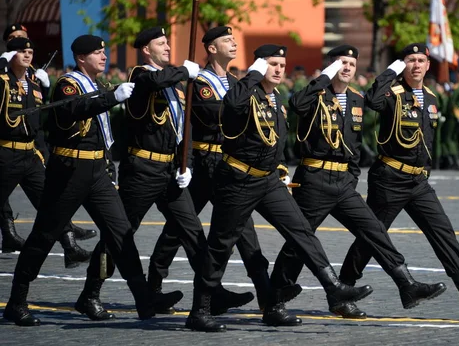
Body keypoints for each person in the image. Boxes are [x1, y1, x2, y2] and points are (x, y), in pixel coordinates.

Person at [186, 44, 373, 332]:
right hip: (238, 180)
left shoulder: (276, 100)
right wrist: (251, 74)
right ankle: (200, 310)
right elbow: (231, 105)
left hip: (268, 180)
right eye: (272, 64)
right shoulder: (246, 92)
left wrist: (281, 171)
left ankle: (331, 287)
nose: (278, 69)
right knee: (221, 245)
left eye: (281, 65)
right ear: (259, 66)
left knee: (301, 231)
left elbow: (278, 142)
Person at [3, 35, 181, 326]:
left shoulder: (97, 85)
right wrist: (113, 98)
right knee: (45, 236)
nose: (103, 56)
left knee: (121, 233)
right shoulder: (68, 84)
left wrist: (108, 166)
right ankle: (17, 300)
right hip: (69, 170)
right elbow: (73, 110)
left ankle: (143, 300)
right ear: (81, 58)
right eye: (97, 53)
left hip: (97, 171)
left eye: (103, 51)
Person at [76, 27, 252, 321]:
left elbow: (184, 127)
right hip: (142, 170)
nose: (168, 47)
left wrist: (187, 165)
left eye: (168, 42)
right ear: (146, 50)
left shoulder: (174, 83)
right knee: (120, 235)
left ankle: (213, 292)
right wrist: (185, 70)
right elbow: (155, 80)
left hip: (170, 171)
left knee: (193, 232)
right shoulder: (140, 76)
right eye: (161, 43)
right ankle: (90, 293)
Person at [269, 44, 446, 320]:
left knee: (374, 230)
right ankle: (275, 300)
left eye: (352, 64)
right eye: (341, 63)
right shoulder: (315, 94)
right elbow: (296, 105)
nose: (347, 68)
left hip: (343, 183)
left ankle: (406, 284)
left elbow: (354, 145)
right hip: (314, 180)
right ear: (331, 66)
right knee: (299, 243)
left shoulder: (355, 99)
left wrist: (351, 177)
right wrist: (324, 78)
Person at [337, 43, 459, 313]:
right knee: (372, 236)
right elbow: (373, 100)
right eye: (410, 60)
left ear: (428, 65)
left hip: (418, 181)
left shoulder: (431, 97)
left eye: (420, 60)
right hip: (390, 178)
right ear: (404, 65)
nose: (416, 65)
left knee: (442, 230)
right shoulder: (392, 92)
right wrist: (391, 71)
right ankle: (343, 289)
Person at [149, 26, 271, 312]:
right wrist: (186, 163)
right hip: (203, 164)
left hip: (230, 165)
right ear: (211, 48)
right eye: (227, 40)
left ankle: (266, 293)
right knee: (179, 228)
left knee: (243, 229)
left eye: (233, 39)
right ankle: (154, 284)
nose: (234, 43)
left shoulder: (233, 81)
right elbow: (200, 120)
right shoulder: (198, 81)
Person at [0, 38, 92, 266]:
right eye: (22, 51)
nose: (28, 55)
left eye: (30, 51)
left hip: (29, 155)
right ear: (10, 55)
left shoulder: (33, 82)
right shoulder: (2, 80)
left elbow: (42, 119)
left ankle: (70, 247)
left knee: (52, 203)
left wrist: (46, 86)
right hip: (5, 154)